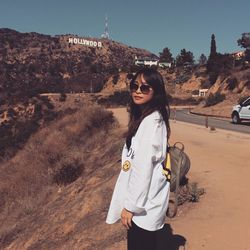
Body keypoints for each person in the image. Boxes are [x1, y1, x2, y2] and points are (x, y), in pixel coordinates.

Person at [106, 67, 171, 250]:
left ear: (155, 91)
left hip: (143, 207)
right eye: (134, 86)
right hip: (144, 204)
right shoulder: (146, 118)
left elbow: (143, 170)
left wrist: (131, 207)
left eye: (144, 88)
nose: (137, 91)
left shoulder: (152, 122)